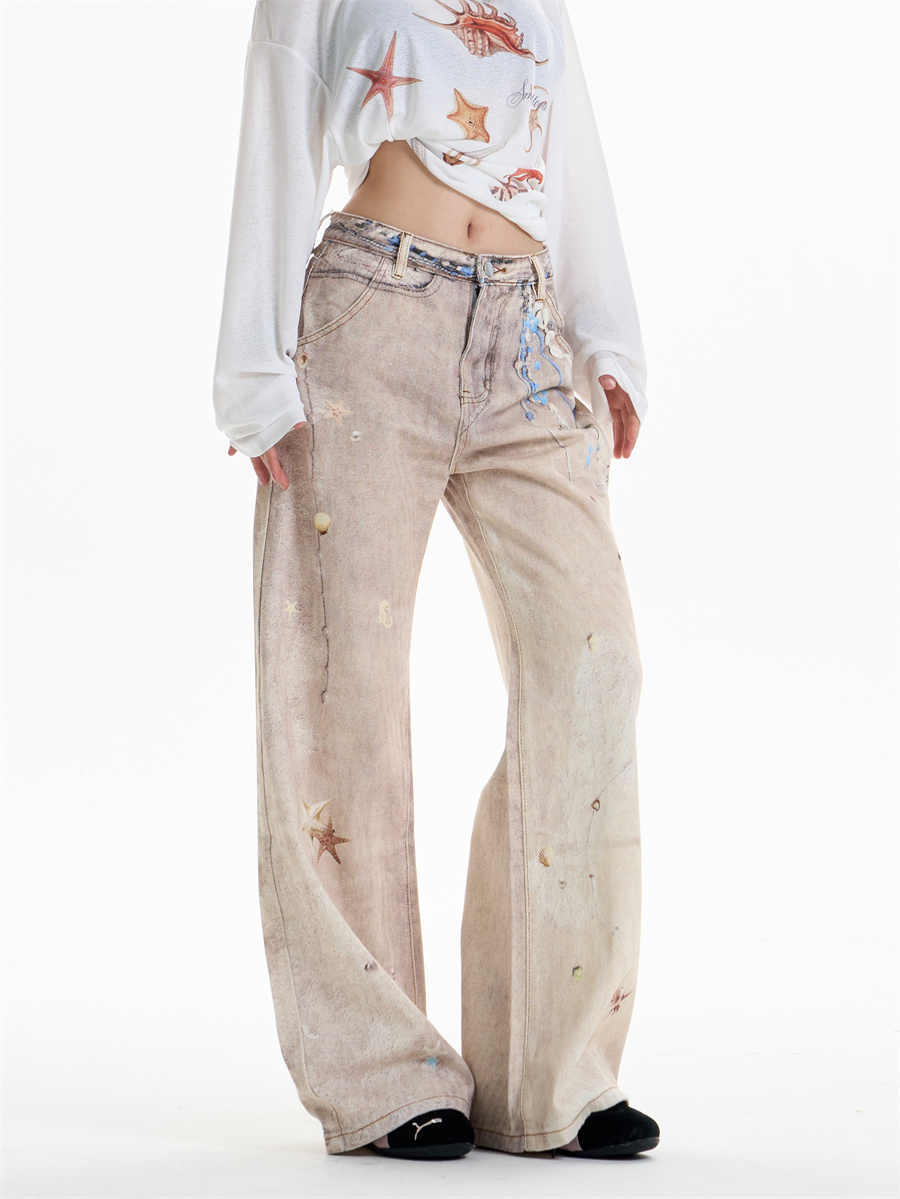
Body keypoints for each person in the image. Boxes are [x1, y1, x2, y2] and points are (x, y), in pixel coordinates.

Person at [212, 0, 659, 1162]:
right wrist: (254, 371)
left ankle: (552, 1072)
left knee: (592, 662)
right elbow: (276, 121)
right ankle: (382, 1068)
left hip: (525, 335)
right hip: (371, 315)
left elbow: (571, 144)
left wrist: (606, 336)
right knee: (341, 687)